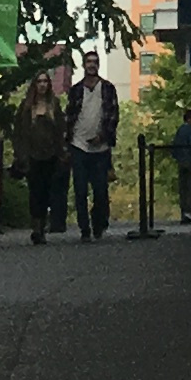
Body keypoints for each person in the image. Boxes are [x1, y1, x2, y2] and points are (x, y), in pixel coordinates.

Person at [68, 49, 121, 238]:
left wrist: (103, 135)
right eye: (88, 61)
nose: (91, 65)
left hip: (101, 148)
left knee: (100, 190)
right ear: (84, 65)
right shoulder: (76, 90)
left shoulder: (107, 88)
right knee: (80, 189)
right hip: (78, 145)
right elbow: (70, 115)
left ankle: (99, 222)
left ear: (98, 65)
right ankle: (84, 228)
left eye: (94, 62)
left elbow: (113, 115)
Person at [16, 65, 70, 243]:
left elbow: (60, 130)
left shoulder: (54, 105)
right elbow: (19, 132)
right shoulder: (26, 107)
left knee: (47, 191)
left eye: (45, 81)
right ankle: (36, 226)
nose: (42, 85)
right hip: (32, 155)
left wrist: (62, 152)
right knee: (35, 191)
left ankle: (43, 224)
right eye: (39, 81)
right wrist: (21, 154)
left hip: (50, 155)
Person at [170, 103, 191, 223]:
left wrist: (179, 158)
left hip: (181, 162)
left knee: (183, 187)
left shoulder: (180, 130)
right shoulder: (190, 131)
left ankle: (184, 211)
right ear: (190, 119)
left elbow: (174, 147)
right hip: (190, 162)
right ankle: (190, 211)